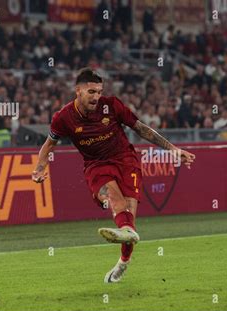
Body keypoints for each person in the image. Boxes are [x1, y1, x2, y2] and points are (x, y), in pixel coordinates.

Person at [32, 68, 195, 283]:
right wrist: (39, 168)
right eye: (91, 91)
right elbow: (49, 144)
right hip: (96, 164)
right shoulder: (63, 118)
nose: (96, 97)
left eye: (99, 91)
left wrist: (173, 149)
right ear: (78, 91)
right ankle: (123, 227)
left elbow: (142, 129)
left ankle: (124, 261)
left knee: (129, 219)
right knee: (110, 193)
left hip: (125, 159)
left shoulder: (112, 105)